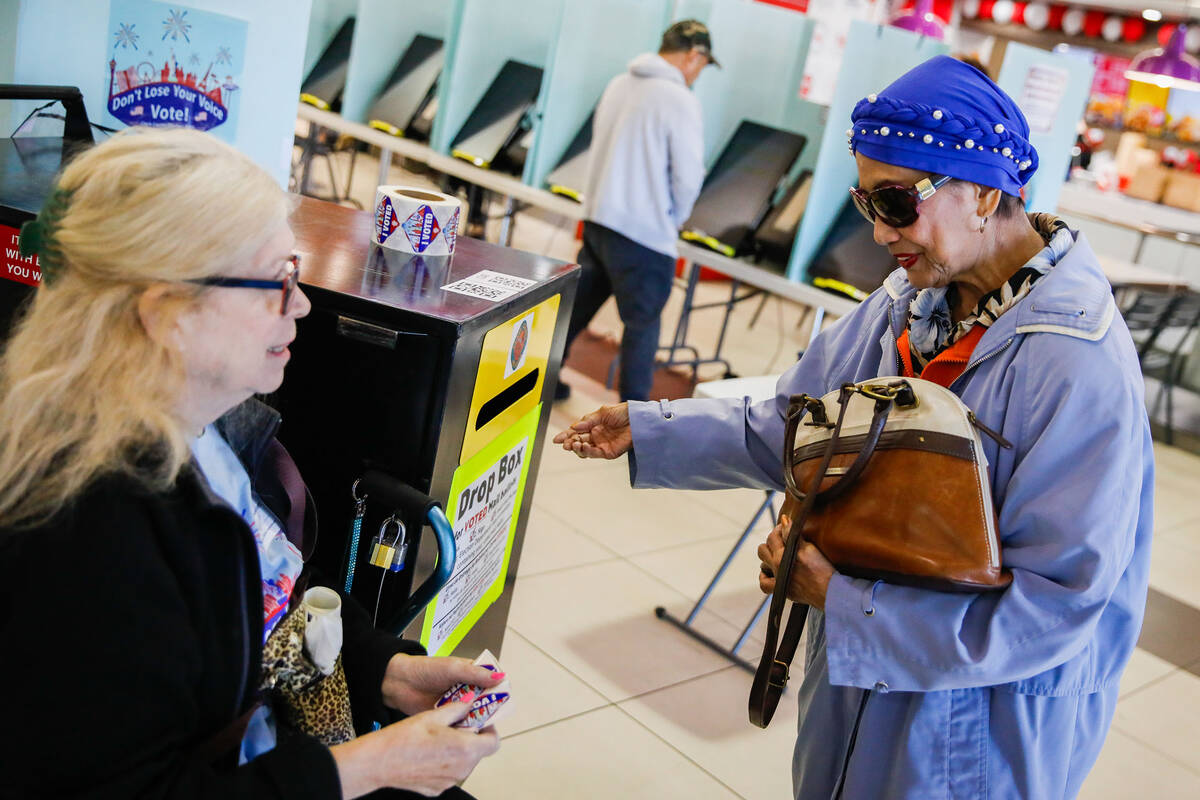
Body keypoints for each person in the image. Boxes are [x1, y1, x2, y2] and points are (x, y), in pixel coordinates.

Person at [554, 55, 1153, 798]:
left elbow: (1054, 607)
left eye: (897, 204)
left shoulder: (1076, 366)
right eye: (865, 204)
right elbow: (797, 422)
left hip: (974, 730)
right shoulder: (909, 302)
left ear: (984, 193)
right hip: (855, 689)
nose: (878, 235)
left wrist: (839, 599)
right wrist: (649, 429)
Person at [0, 127, 500, 798]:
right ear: (167, 310)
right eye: (276, 280)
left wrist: (383, 667)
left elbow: (265, 592)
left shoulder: (199, 430)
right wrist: (366, 768)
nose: (301, 303)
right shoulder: (86, 527)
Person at [556, 19, 716, 402]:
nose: (698, 75)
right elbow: (688, 175)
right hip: (643, 234)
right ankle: (634, 419)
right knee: (642, 327)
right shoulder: (680, 100)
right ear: (694, 55)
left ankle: (537, 380)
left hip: (598, 220)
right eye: (703, 65)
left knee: (574, 312)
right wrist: (672, 219)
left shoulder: (619, 83)